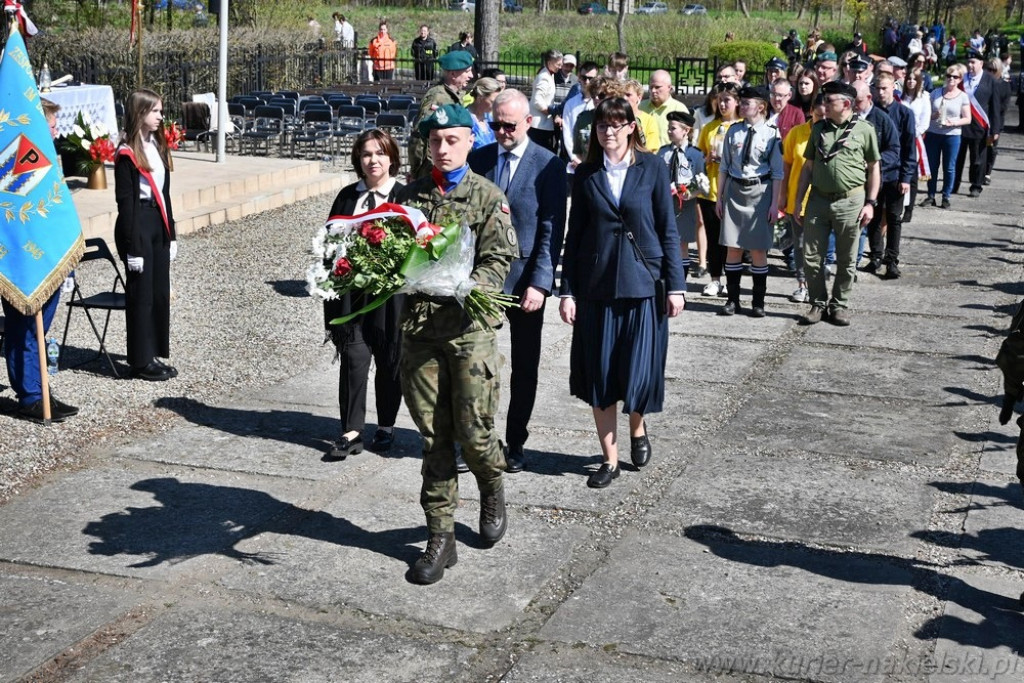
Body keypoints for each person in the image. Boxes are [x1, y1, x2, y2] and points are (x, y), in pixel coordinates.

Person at [396, 104, 517, 585]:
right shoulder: (410, 197)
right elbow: (391, 250)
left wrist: (464, 284)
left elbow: (499, 258)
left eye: (452, 140)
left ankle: (491, 481)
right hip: (421, 333)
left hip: (469, 332)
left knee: (475, 433)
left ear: (470, 141)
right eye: (434, 141)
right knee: (433, 438)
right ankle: (440, 537)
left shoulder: (488, 196)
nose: (442, 149)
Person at [558, 97, 685, 489]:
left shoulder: (651, 168)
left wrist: (676, 285)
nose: (608, 132)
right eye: (601, 125)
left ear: (631, 126)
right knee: (600, 375)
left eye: (615, 124)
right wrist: (568, 292)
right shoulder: (586, 174)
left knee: (637, 373)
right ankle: (609, 460)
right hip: (597, 286)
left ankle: (638, 427)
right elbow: (574, 235)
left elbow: (667, 229)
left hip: (643, 285)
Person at [468, 89, 567, 473]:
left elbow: (550, 229)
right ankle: (476, 439)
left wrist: (540, 283)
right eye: (495, 124)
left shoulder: (549, 166)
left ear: (529, 122)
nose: (502, 131)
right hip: (485, 281)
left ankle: (516, 442)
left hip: (525, 279)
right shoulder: (479, 159)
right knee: (475, 364)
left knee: (525, 366)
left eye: (510, 125)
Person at [322, 130, 405, 460]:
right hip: (350, 296)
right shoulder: (346, 196)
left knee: (389, 362)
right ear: (358, 158)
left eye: (380, 153)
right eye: (366, 154)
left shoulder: (404, 195)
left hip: (390, 297)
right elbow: (328, 243)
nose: (373, 160)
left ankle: (385, 427)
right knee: (354, 360)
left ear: (391, 158)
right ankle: (351, 432)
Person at [2, 98, 80, 424]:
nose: (56, 130)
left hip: (46, 256)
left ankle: (38, 389)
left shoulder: (44, 159)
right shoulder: (16, 157)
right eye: (51, 124)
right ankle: (31, 397)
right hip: (25, 260)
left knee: (39, 330)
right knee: (24, 329)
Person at [794, 80, 880, 327]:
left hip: (850, 201)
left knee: (846, 258)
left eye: (829, 101)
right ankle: (817, 303)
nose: (824, 105)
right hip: (819, 200)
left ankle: (839, 304)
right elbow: (808, 167)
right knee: (811, 256)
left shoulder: (864, 130)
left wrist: (870, 203)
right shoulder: (818, 129)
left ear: (845, 104)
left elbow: (874, 168)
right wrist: (799, 200)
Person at [114, 89, 178, 380]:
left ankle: (153, 352)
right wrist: (132, 246)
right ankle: (140, 361)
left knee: (158, 292)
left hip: (158, 222)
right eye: (155, 112)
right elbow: (125, 204)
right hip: (137, 224)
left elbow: (165, 193)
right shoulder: (127, 151)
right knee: (141, 295)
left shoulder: (157, 144)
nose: (160, 117)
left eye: (161, 112)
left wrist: (172, 234)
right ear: (140, 113)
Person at [715, 85, 783, 318]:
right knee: (732, 247)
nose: (741, 106)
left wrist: (775, 204)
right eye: (741, 102)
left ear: (761, 107)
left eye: (747, 103)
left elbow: (777, 173)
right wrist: (719, 198)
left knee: (758, 249)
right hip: (734, 191)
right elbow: (724, 166)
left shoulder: (773, 134)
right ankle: (733, 300)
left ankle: (758, 302)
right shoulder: (733, 131)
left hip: (760, 192)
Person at [862, 73, 916, 280]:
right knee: (873, 216)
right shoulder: (871, 113)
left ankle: (891, 260)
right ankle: (875, 256)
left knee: (894, 218)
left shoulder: (904, 113)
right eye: (877, 88)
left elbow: (909, 148)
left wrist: (906, 177)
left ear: (894, 87)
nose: (880, 92)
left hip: (895, 174)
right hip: (873, 176)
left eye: (885, 88)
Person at [697, 81, 741, 298]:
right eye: (719, 100)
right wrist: (707, 159)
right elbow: (698, 157)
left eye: (727, 100)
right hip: (712, 191)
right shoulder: (709, 128)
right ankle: (715, 279)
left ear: (737, 102)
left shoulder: (743, 126)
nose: (723, 104)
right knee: (714, 237)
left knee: (732, 240)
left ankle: (733, 281)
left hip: (735, 192)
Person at [781, 94, 826, 304]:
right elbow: (787, 164)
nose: (822, 119)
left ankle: (817, 285)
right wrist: (782, 196)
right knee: (799, 244)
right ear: (811, 112)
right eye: (818, 115)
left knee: (818, 246)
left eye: (826, 115)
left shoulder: (834, 134)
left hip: (823, 200)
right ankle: (801, 285)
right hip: (797, 198)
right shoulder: (797, 133)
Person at [408, 51, 475, 179]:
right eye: (467, 71)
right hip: (434, 170)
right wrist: (416, 171)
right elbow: (419, 136)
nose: (471, 75)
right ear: (453, 74)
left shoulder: (455, 96)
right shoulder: (437, 97)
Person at [658, 110, 705, 280]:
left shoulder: (696, 154)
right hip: (664, 204)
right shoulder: (663, 153)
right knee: (664, 243)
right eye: (669, 128)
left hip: (684, 206)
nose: (669, 131)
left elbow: (702, 183)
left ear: (686, 130)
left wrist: (690, 193)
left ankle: (681, 283)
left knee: (681, 245)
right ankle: (665, 281)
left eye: (673, 128)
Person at [921, 64, 971, 209]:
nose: (951, 79)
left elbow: (968, 118)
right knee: (932, 166)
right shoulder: (935, 93)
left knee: (949, 167)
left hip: (952, 135)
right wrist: (933, 115)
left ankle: (946, 196)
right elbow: (926, 115)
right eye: (949, 76)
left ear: (960, 79)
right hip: (933, 133)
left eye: (955, 77)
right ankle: (930, 195)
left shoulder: (962, 97)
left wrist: (955, 122)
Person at [954, 48, 1002, 198]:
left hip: (980, 127)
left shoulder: (990, 80)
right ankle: (953, 184)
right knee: (957, 158)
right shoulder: (961, 79)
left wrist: (995, 130)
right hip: (961, 125)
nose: (970, 65)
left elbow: (995, 107)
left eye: (973, 62)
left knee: (978, 159)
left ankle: (976, 185)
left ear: (981, 63)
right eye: (968, 62)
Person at [901, 69, 931, 220]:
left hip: (914, 139)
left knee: (911, 175)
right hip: (899, 139)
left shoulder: (924, 98)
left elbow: (925, 121)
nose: (911, 81)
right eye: (909, 79)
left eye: (914, 79)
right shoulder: (900, 97)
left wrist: (913, 134)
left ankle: (909, 208)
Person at [641, 69, 689, 148]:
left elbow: (686, 139)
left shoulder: (679, 109)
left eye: (657, 87)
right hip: (644, 157)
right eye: (651, 87)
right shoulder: (641, 107)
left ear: (669, 88)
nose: (653, 91)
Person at [528, 49, 563, 153]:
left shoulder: (549, 74)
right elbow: (537, 101)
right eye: (558, 64)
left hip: (543, 125)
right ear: (549, 62)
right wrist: (550, 112)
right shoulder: (544, 77)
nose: (560, 67)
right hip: (540, 126)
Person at [467, 77, 501, 150]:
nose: (496, 105)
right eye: (493, 102)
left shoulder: (491, 118)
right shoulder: (465, 118)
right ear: (480, 97)